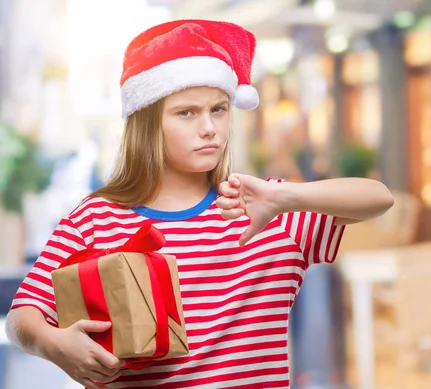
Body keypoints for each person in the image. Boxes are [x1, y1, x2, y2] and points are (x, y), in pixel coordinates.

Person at [4, 20, 394, 389]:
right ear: (148, 124)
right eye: (186, 112)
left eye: (218, 109)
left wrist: (286, 196)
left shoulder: (267, 208)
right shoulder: (96, 218)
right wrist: (54, 345)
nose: (209, 127)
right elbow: (23, 316)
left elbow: (378, 198)